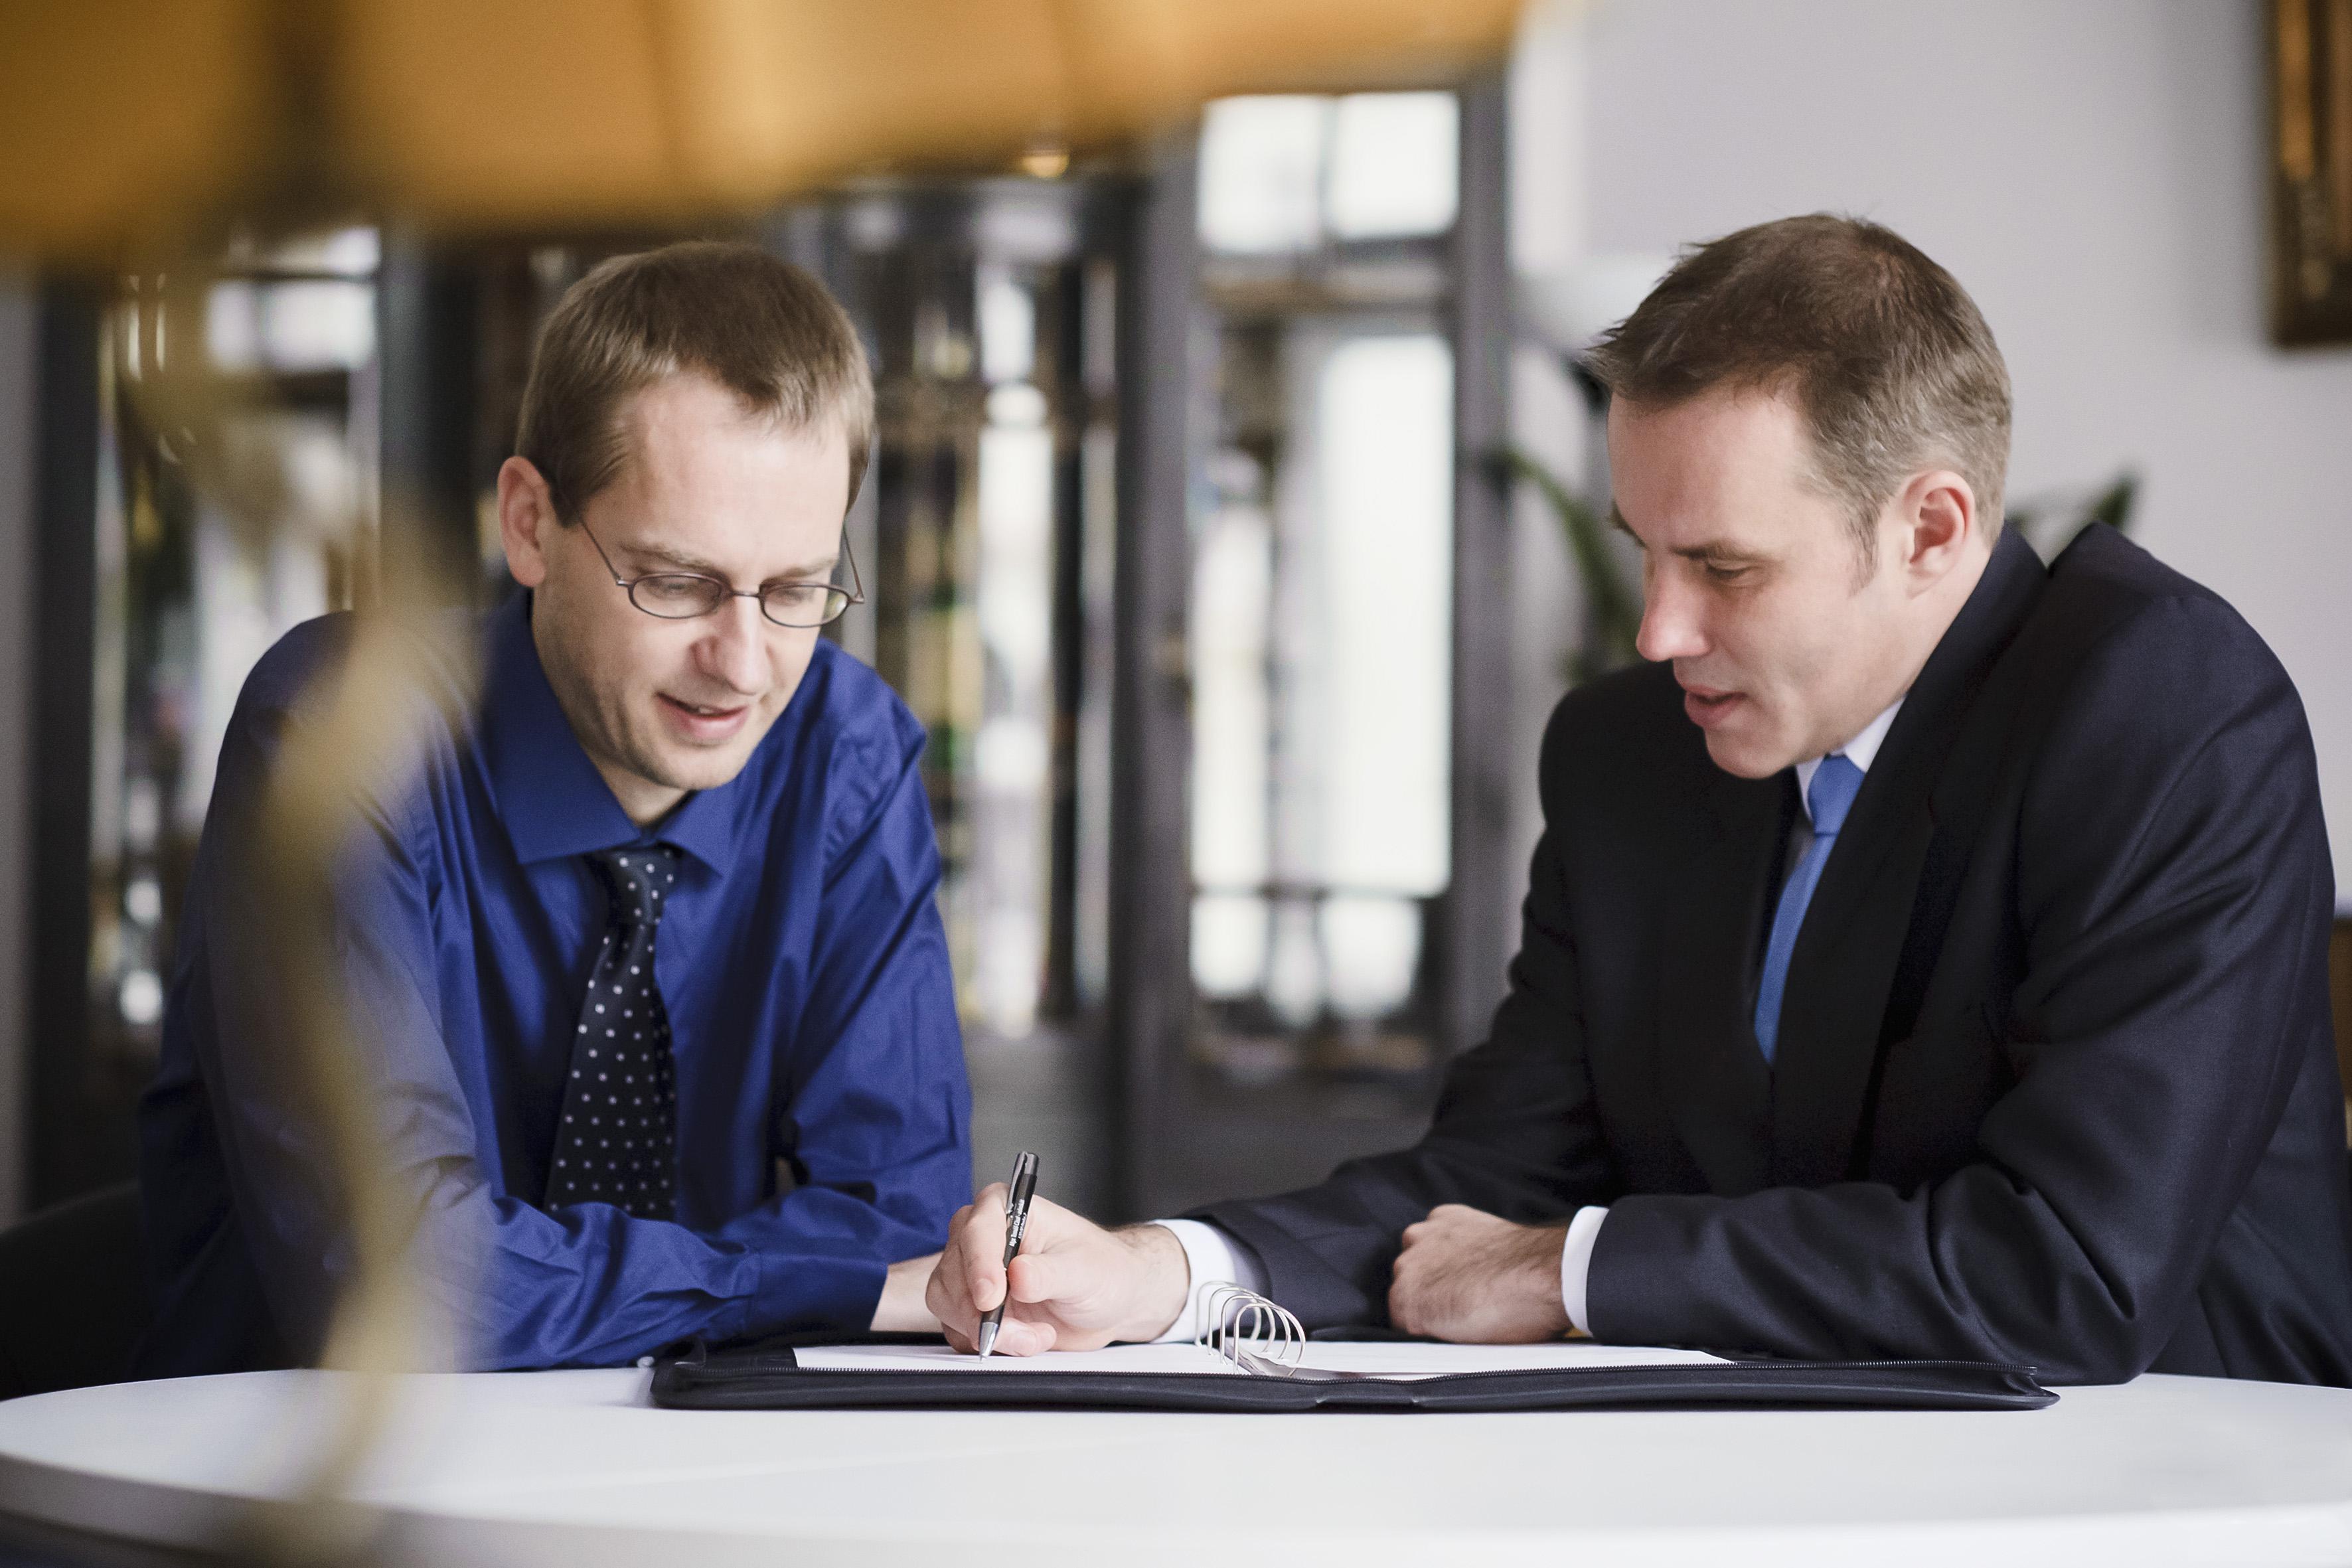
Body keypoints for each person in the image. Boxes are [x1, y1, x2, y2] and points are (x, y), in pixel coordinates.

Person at [927, 214, 2352, 1385]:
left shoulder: (2165, 713)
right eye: (1641, 552)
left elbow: (2067, 1272)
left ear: (1927, 530)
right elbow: (1484, 1178)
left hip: (2173, 1478)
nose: (1654, 630)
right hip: (1736, 1467)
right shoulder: (1626, 755)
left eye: (1723, 569)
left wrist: (1569, 1266)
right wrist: (1162, 1272)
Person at [137, 242, 970, 1374]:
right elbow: (404, 1283)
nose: (743, 663)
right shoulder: (344, 734)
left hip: (669, 1502)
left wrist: (581, 1283)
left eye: (795, 591)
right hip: (295, 1505)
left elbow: (903, 1227)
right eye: (675, 582)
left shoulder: (847, 756)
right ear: (528, 524)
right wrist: (796, 1282)